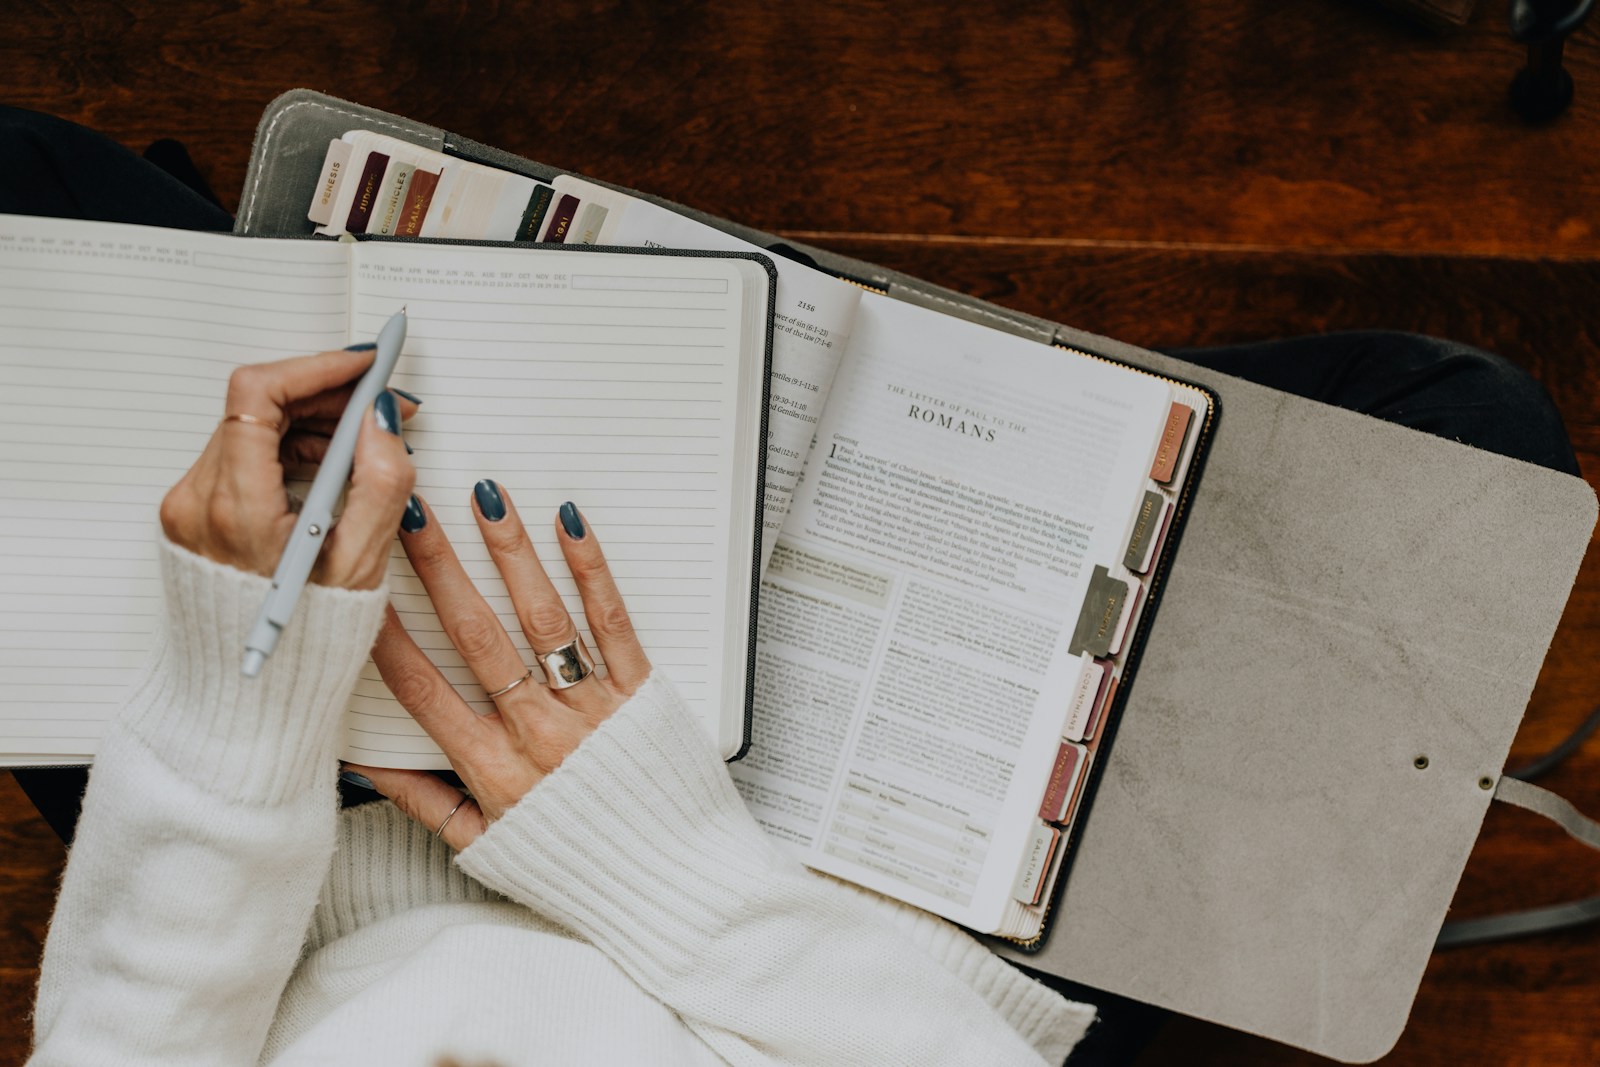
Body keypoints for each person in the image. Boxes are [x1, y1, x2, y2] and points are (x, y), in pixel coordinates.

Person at [8, 107, 1584, 1066]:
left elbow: (130, 1046)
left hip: (322, 866)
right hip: (840, 960)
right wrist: (661, 858)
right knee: (1475, 450)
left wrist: (237, 692)